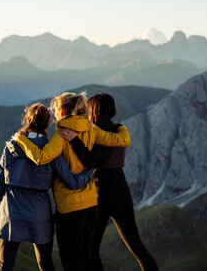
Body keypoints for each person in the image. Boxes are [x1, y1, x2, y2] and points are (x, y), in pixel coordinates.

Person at [13, 92, 131, 271]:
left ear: (61, 110)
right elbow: (122, 140)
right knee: (88, 259)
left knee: (71, 262)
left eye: (55, 110)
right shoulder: (90, 128)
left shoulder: (62, 135)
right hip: (92, 204)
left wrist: (21, 139)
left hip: (70, 208)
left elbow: (41, 157)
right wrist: (122, 128)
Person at [59, 93, 159, 271]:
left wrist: (74, 141)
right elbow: (123, 143)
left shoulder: (93, 133)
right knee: (136, 246)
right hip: (121, 190)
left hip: (99, 194)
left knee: (92, 249)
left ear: (94, 109)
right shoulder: (120, 129)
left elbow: (91, 161)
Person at [0, 103, 95, 271]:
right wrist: (90, 173)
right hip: (39, 210)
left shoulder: (10, 146)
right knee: (45, 264)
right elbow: (72, 182)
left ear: (27, 120)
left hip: (10, 210)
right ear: (47, 124)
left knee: (4, 266)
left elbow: (0, 182)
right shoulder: (51, 151)